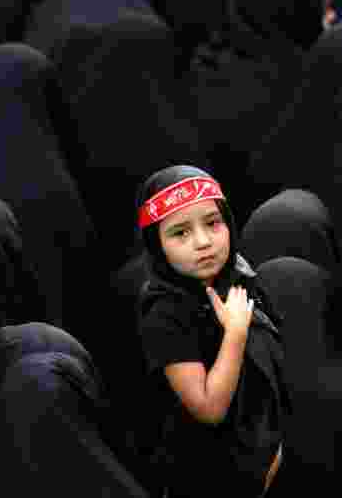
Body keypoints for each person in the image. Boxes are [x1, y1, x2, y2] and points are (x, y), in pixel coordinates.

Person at [136, 165, 289, 498]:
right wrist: (235, 334)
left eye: (212, 223)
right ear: (156, 244)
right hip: (210, 472)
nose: (203, 242)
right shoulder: (164, 313)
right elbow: (208, 409)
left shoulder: (241, 276)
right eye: (180, 233)